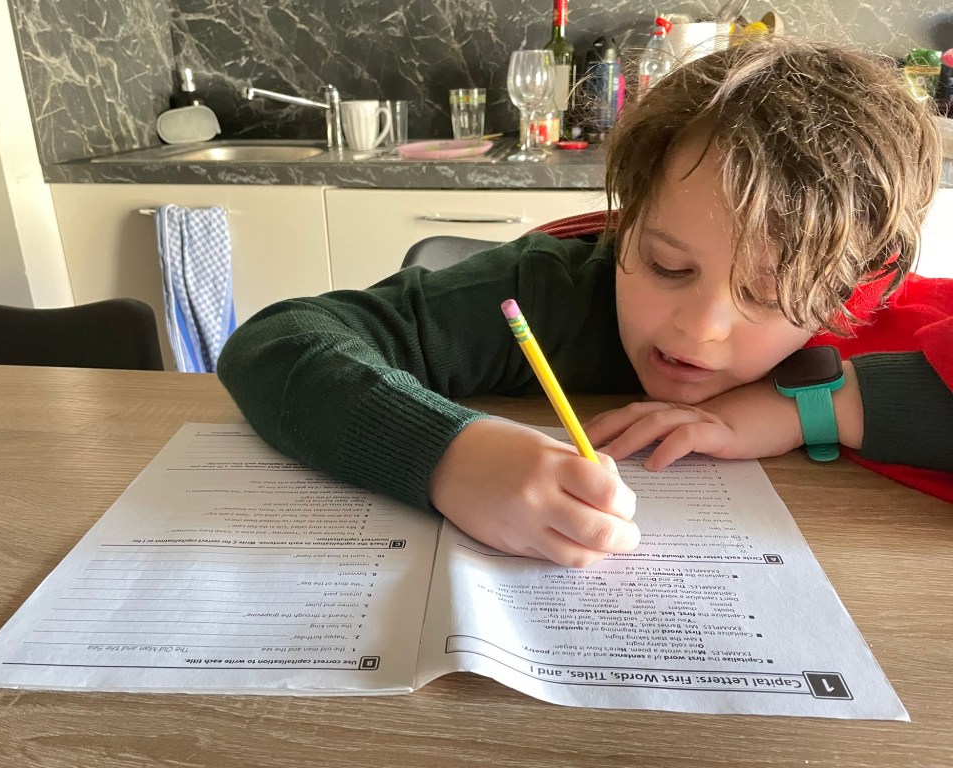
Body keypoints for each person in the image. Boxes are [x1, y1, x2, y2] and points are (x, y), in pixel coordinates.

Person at [218, 38, 953, 568]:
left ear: (851, 289)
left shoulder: (876, 318)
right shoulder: (552, 292)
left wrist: (806, 409)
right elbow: (279, 341)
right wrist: (446, 453)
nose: (699, 327)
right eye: (667, 265)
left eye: (766, 294)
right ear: (625, 217)